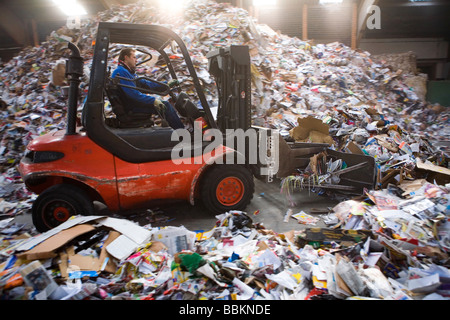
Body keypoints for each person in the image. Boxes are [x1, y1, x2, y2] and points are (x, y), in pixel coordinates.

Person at [112, 47, 184, 129]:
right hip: (131, 108)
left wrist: (166, 85)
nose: (136, 60)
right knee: (166, 106)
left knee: (165, 104)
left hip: (132, 104)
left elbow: (147, 84)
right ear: (126, 57)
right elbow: (133, 94)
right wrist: (154, 101)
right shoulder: (121, 72)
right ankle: (182, 134)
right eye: (134, 57)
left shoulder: (127, 71)